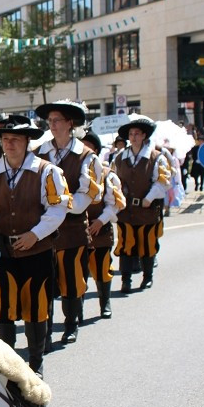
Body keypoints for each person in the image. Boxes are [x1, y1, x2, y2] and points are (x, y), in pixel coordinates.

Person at [0, 114, 70, 375]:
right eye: (5, 139)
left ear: (27, 142)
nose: (9, 144)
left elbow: (57, 209)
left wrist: (35, 234)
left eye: (15, 139)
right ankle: (7, 366)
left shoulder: (47, 171)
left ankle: (36, 363)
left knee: (35, 307)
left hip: (36, 249)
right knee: (2, 307)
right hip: (1, 249)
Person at [34, 100, 102, 344]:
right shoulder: (40, 152)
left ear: (70, 124)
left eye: (57, 120)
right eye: (49, 121)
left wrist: (61, 206)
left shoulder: (86, 156)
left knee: (72, 280)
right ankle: (47, 328)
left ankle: (71, 323)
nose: (51, 125)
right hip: (43, 230)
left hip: (72, 229)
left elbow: (88, 196)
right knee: (46, 280)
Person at [111, 116, 170, 293]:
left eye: (137, 133)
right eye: (131, 134)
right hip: (126, 210)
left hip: (147, 210)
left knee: (147, 244)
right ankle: (126, 280)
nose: (134, 137)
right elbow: (113, 180)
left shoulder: (156, 157)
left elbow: (162, 182)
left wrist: (149, 198)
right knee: (126, 245)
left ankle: (147, 277)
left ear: (144, 135)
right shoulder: (120, 157)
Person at [80, 130, 124, 319]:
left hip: (100, 231)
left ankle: (104, 302)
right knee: (78, 272)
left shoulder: (107, 175)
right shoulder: (72, 172)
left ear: (95, 149)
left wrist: (100, 221)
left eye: (87, 145)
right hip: (78, 232)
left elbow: (114, 204)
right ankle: (76, 311)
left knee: (102, 268)